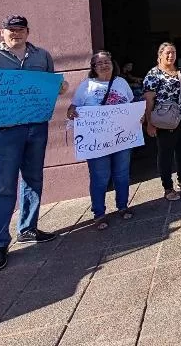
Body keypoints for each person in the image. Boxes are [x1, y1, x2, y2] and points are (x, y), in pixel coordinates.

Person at [0, 15, 68, 272]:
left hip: (36, 127)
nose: (16, 34)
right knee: (4, 185)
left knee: (33, 179)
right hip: (6, 131)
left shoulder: (42, 56)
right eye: (11, 30)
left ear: (28, 32)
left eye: (20, 30)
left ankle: (28, 228)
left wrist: (59, 88)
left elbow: (52, 85)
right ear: (2, 32)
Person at [67, 51, 135, 230]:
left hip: (121, 139)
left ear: (113, 64)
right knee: (100, 177)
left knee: (122, 174)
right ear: (93, 67)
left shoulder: (121, 83)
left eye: (107, 62)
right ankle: (99, 213)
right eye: (100, 63)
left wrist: (138, 117)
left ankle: (123, 206)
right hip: (96, 143)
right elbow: (73, 107)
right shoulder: (86, 86)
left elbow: (131, 104)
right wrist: (71, 112)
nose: (104, 65)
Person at [143, 42, 181, 200]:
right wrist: (150, 123)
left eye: (173, 52)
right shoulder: (153, 74)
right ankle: (167, 187)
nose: (170, 55)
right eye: (167, 52)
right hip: (165, 121)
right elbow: (149, 100)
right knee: (165, 154)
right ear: (159, 55)